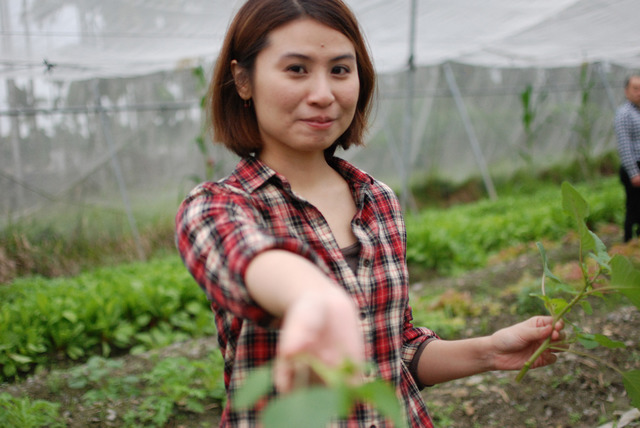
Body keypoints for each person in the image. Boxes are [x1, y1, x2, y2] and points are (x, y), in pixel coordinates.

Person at [175, 0, 565, 426]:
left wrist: (489, 350)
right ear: (243, 80)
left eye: (340, 70)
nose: (323, 94)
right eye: (297, 69)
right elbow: (245, 255)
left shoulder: (377, 200)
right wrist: (312, 297)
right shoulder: (217, 206)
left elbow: (394, 352)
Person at [615, 74, 640, 242]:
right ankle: (628, 240)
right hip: (635, 167)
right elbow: (625, 146)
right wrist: (634, 173)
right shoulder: (624, 114)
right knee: (633, 206)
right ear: (626, 91)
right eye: (635, 88)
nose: (639, 92)